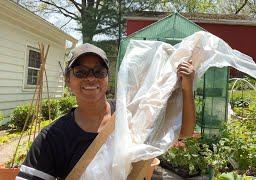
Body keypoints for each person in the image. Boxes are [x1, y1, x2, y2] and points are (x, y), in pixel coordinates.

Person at [16, 43, 196, 179]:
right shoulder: (53, 137)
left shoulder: (129, 114)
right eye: (80, 72)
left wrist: (187, 89)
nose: (91, 78)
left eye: (98, 72)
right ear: (68, 80)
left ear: (107, 78)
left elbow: (184, 132)